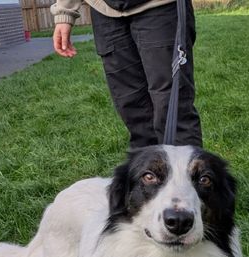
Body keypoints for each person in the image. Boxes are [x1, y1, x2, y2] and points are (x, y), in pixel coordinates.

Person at [51, 0, 202, 148]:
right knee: (133, 110)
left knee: (173, 112)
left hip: (160, 7)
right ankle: (147, 164)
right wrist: (65, 11)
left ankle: (181, 164)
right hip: (105, 12)